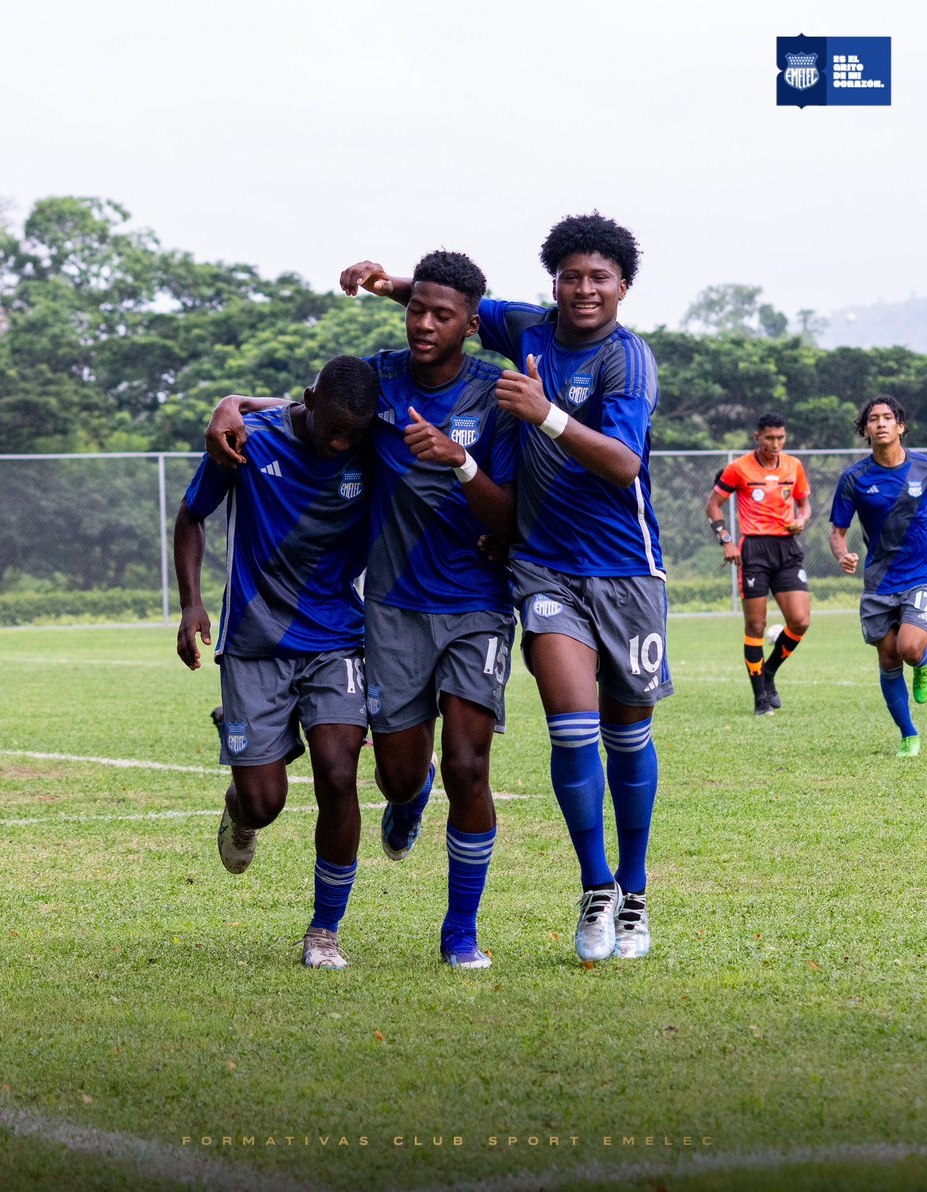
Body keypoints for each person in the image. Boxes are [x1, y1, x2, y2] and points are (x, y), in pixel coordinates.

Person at [340, 211, 670, 964]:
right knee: (572, 727)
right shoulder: (526, 326)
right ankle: (595, 888)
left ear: (624, 287)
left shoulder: (629, 360)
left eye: (600, 277)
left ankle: (636, 887)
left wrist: (545, 414)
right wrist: (385, 281)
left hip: (627, 569)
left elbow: (622, 463)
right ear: (553, 280)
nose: (584, 289)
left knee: (628, 737)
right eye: (571, 275)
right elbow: (446, 310)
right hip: (543, 565)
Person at [210, 251, 519, 970]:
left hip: (476, 602)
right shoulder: (378, 380)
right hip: (392, 611)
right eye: (417, 310)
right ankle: (408, 799)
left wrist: (459, 461)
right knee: (398, 777)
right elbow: (309, 410)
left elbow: (509, 521)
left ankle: (460, 933)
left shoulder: (494, 393)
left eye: (442, 315)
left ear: (472, 325)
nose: (424, 324)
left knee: (469, 766)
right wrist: (232, 404)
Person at [174, 355, 379, 969]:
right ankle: (240, 806)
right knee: (264, 803)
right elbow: (191, 516)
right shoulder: (246, 442)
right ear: (310, 401)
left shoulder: (371, 444)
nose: (342, 443)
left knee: (340, 777)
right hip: (254, 646)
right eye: (333, 429)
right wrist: (190, 606)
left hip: (338, 639)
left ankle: (324, 931)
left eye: (354, 434)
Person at [829, 395, 927, 758]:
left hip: (921, 575)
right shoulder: (854, 478)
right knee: (888, 660)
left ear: (901, 426)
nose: (881, 423)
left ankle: (923, 662)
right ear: (866, 429)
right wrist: (843, 555)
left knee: (910, 648)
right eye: (874, 419)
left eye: (888, 418)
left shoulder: (923, 467)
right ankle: (909, 734)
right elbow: (837, 532)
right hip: (879, 582)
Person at [704, 413, 812, 716]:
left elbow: (804, 504)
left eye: (780, 438)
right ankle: (760, 699)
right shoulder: (738, 468)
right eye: (769, 438)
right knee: (756, 625)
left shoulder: (794, 466)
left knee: (800, 621)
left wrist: (802, 520)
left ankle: (768, 672)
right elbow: (713, 505)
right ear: (757, 437)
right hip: (755, 549)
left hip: (787, 549)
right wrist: (725, 538)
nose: (775, 444)